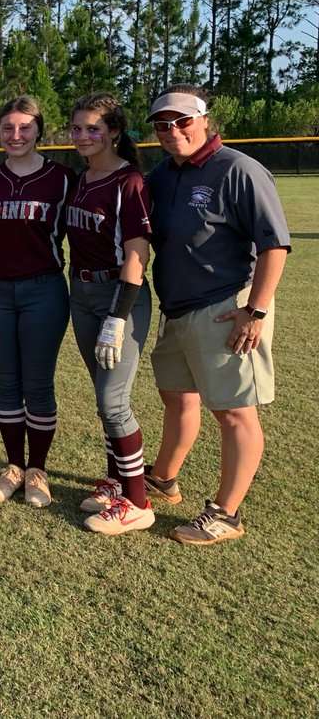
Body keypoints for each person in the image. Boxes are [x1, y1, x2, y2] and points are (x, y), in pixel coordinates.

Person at [142, 85, 290, 545]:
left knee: (234, 413)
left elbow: (274, 245)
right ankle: (163, 479)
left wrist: (256, 309)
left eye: (183, 120)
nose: (173, 131)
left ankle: (227, 512)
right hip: (177, 308)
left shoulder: (239, 170)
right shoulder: (163, 174)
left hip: (227, 308)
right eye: (163, 125)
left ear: (205, 119)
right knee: (177, 397)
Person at [0, 96, 74, 508]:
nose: (16, 135)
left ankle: (38, 470)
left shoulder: (63, 178)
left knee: (38, 382)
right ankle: (14, 467)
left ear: (39, 131)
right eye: (7, 128)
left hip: (43, 289)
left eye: (24, 128)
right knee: (5, 381)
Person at [63, 94, 156, 535]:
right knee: (104, 396)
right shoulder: (82, 178)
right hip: (81, 292)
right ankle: (117, 482)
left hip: (119, 296)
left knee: (112, 401)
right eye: (77, 128)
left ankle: (137, 504)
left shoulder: (128, 182)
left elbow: (137, 254)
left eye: (94, 129)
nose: (83, 136)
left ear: (114, 132)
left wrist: (118, 317)